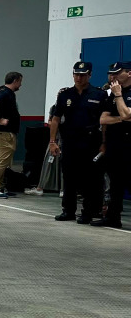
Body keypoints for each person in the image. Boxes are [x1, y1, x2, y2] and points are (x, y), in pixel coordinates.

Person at [50, 62, 107, 224]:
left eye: (82, 75)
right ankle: (68, 210)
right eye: (76, 74)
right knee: (69, 177)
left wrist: (104, 142)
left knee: (90, 179)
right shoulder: (65, 94)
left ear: (89, 75)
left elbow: (104, 122)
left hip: (91, 142)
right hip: (70, 141)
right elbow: (55, 119)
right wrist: (52, 141)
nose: (79, 78)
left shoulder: (99, 95)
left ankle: (88, 212)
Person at [98, 61, 131, 228]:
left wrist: (118, 96)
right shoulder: (113, 93)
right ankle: (112, 217)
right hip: (115, 144)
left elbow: (126, 114)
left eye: (117, 73)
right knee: (115, 184)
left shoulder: (118, 93)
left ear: (129, 73)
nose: (113, 77)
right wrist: (122, 118)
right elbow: (103, 119)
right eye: (112, 73)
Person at [0, 71, 23, 198]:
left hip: (6, 132)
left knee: (4, 161)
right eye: (20, 81)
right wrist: (0, 121)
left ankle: (0, 186)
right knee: (2, 161)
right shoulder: (4, 93)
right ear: (15, 81)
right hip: (4, 133)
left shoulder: (7, 93)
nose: (21, 85)